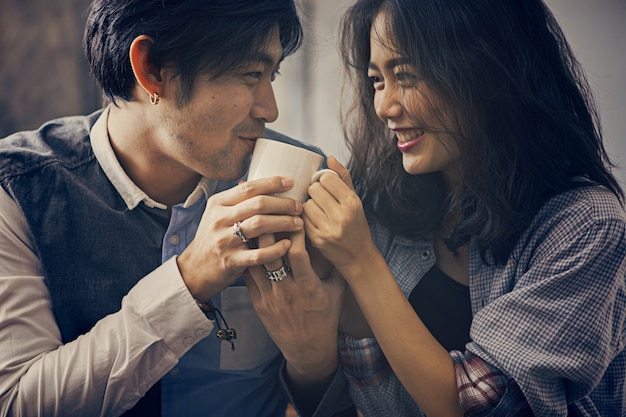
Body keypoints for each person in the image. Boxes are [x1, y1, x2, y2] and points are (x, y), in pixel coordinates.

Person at [0, 0, 354, 416]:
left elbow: (359, 398)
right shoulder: (22, 189)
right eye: (250, 75)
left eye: (271, 75)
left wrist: (314, 364)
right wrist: (189, 281)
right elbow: (17, 403)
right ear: (151, 68)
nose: (270, 109)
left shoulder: (302, 180)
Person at [297, 0, 626, 415]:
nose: (383, 106)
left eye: (407, 76)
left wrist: (361, 263)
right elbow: (353, 396)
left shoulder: (585, 226)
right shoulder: (378, 201)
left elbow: (474, 409)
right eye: (377, 80)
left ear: (485, 70)